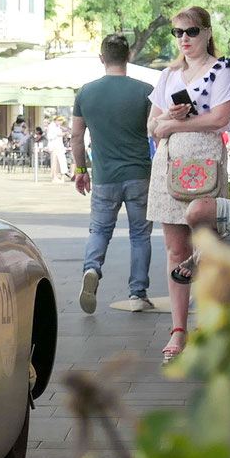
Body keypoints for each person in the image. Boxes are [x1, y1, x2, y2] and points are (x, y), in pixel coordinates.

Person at [147, 6, 230, 363]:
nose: (184, 38)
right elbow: (151, 126)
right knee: (176, 250)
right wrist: (167, 119)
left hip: (204, 161)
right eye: (178, 33)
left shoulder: (220, 69)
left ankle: (210, 324)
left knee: (207, 247)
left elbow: (222, 116)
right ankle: (179, 327)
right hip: (170, 165)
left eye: (191, 31)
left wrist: (174, 125)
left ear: (206, 32)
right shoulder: (169, 75)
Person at [71, 34, 157, 315]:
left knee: (99, 230)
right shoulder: (146, 91)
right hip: (139, 174)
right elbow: (156, 130)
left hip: (104, 177)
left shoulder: (85, 92)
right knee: (140, 236)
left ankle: (92, 268)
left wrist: (82, 170)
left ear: (101, 58)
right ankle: (137, 294)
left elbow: (76, 136)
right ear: (129, 56)